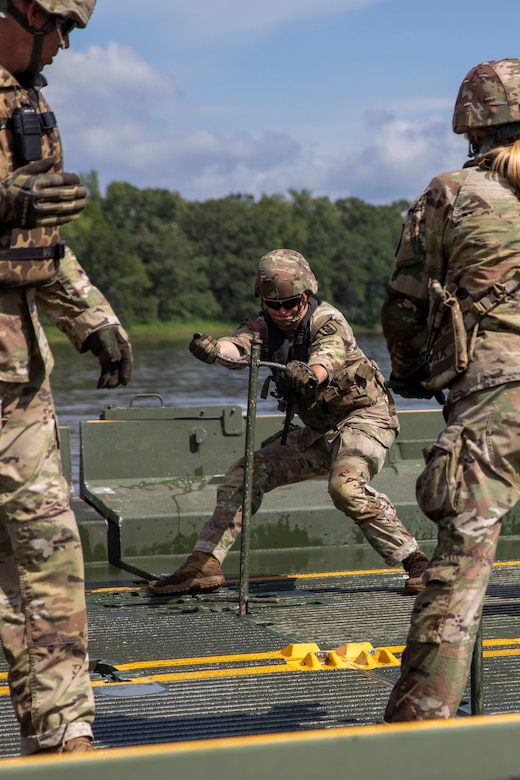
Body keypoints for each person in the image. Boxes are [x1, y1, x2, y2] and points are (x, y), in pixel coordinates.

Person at [0, 0, 133, 755]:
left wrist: (91, 318)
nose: (65, 48)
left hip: (15, 378)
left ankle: (60, 736)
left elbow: (36, 244)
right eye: (64, 29)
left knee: (44, 550)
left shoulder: (24, 106)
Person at [148, 249, 428, 598]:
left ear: (307, 295)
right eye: (272, 304)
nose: (281, 312)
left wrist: (312, 373)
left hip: (364, 420)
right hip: (318, 432)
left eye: (290, 303)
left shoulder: (327, 321)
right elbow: (238, 347)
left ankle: (416, 562)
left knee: (345, 488)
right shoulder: (264, 328)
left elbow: (329, 355)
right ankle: (204, 563)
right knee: (246, 473)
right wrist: (214, 350)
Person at [381, 58, 520, 721]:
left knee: (460, 572)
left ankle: (418, 732)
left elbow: (406, 303)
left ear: (471, 124)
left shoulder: (452, 192)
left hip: (496, 402)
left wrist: (408, 371)